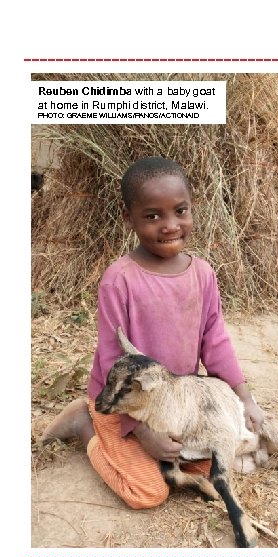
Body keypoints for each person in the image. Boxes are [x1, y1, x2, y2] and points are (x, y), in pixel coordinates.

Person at [40, 156, 265, 510]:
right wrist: (142, 431)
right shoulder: (120, 279)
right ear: (129, 218)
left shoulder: (202, 274)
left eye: (180, 210)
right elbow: (113, 358)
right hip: (125, 404)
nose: (170, 225)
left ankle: (150, 445)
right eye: (152, 216)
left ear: (192, 208)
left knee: (215, 463)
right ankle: (85, 423)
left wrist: (244, 399)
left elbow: (215, 339)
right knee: (148, 493)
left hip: (176, 403)